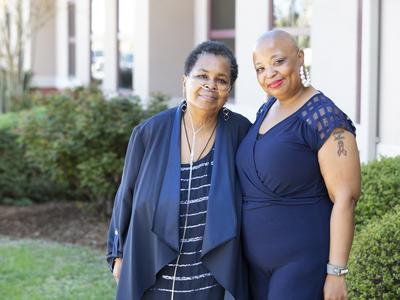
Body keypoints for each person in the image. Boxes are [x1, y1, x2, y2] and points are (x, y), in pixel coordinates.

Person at [106, 41, 250, 300]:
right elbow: (124, 195)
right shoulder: (149, 132)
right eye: (202, 76)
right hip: (152, 276)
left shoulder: (240, 132)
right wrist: (117, 254)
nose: (210, 85)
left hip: (210, 283)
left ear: (229, 90)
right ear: (185, 81)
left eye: (221, 80)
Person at [236, 30, 361, 300]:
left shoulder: (324, 116)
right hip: (254, 266)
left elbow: (345, 198)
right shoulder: (267, 108)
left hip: (302, 262)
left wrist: (336, 273)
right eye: (260, 68)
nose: (270, 73)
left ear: (300, 58)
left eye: (278, 61)